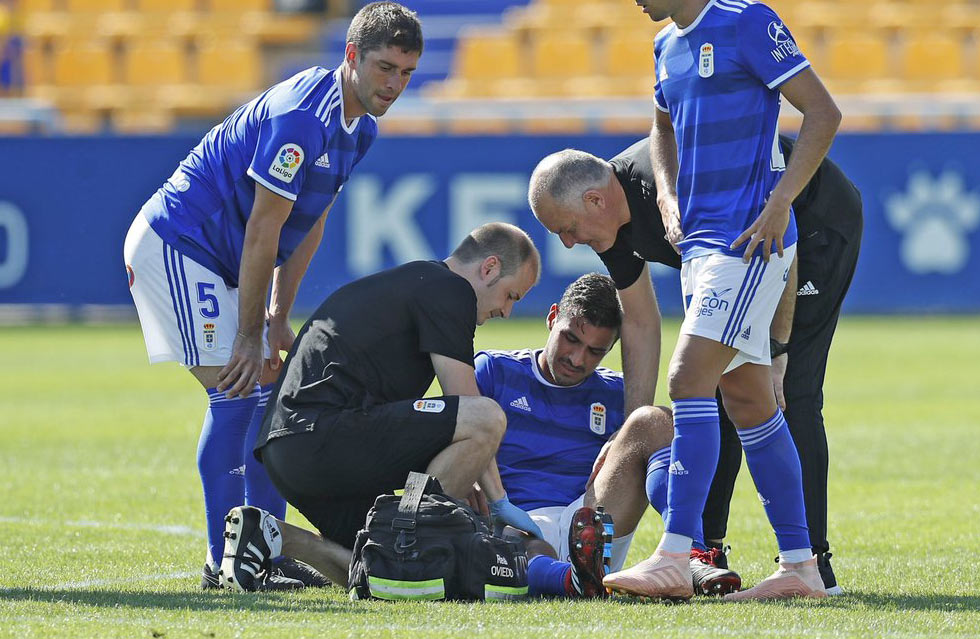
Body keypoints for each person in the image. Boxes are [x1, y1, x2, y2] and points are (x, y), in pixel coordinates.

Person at [534, 0, 842, 600]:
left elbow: (823, 113)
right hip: (702, 249)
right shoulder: (666, 47)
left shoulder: (746, 20)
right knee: (749, 399)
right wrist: (670, 198)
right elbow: (662, 125)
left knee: (687, 379)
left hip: (746, 241)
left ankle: (677, 554)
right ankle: (800, 566)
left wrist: (780, 205)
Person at [122, 2, 421, 589]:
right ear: (352, 55)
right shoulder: (302, 119)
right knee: (241, 390)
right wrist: (248, 330)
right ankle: (225, 563)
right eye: (386, 67)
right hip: (180, 244)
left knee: (267, 396)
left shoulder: (360, 127)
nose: (395, 84)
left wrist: (277, 317)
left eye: (407, 73)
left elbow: (310, 222)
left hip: (223, 259)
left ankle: (260, 550)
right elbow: (263, 229)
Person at [216, 223, 541, 591]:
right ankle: (413, 540)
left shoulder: (414, 281)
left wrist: (467, 464)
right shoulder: (450, 288)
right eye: (511, 296)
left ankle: (272, 534)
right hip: (321, 436)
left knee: (382, 573)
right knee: (487, 417)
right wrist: (499, 502)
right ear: (489, 268)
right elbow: (469, 404)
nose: (508, 311)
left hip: (288, 450)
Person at [475, 273, 742, 598]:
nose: (577, 359)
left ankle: (690, 553)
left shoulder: (616, 392)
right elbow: (456, 439)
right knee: (522, 544)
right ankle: (574, 580)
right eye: (571, 339)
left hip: (591, 520)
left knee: (654, 420)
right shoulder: (493, 370)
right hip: (516, 520)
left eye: (594, 351)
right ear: (552, 317)